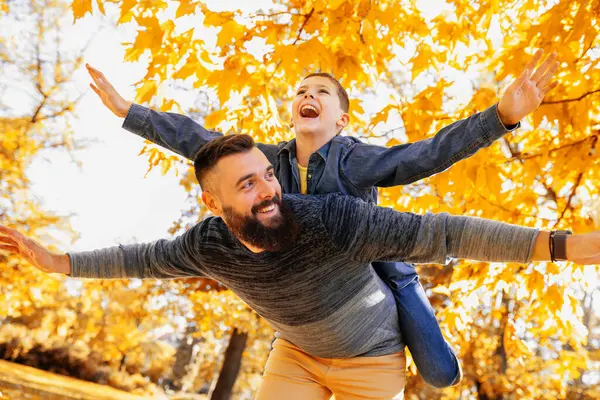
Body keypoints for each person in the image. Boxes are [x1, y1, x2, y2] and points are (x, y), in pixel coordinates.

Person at [84, 49, 559, 387]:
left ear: (341, 120)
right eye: (301, 92)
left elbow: (425, 156)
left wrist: (501, 117)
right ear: (293, 113)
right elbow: (197, 140)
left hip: (381, 271)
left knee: (438, 372)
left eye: (321, 93)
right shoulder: (271, 161)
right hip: (316, 283)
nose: (307, 95)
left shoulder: (357, 160)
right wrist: (131, 112)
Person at [0, 134, 595, 399]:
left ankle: (407, 292)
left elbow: (444, 231)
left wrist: (566, 245)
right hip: (297, 358)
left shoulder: (330, 217)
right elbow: (138, 258)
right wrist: (58, 261)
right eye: (246, 184)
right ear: (214, 202)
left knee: (437, 367)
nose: (266, 190)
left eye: (266, 174)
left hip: (372, 364)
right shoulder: (208, 245)